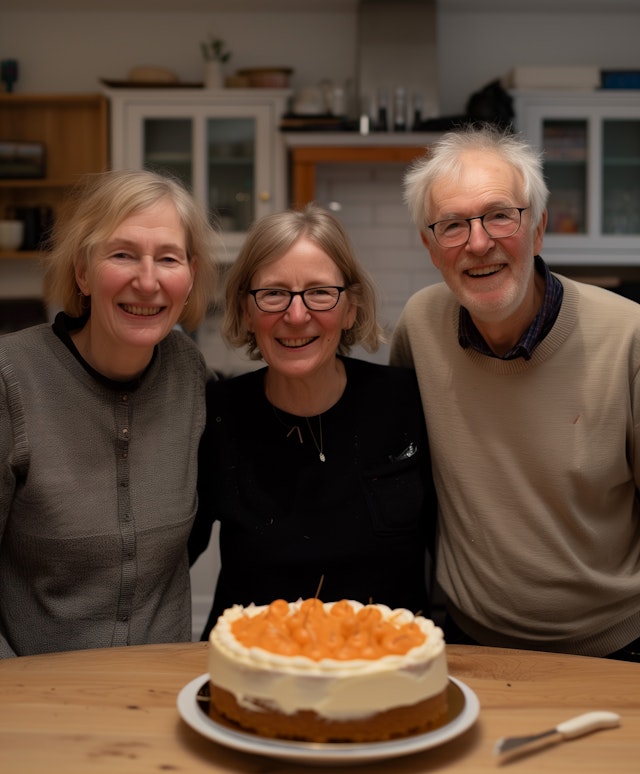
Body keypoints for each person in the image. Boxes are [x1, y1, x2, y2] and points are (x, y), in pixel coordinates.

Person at [390, 124, 640, 661]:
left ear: (539, 228)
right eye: (452, 225)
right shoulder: (420, 328)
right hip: (470, 645)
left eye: (501, 215)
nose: (479, 243)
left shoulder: (628, 337)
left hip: (616, 648)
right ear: (432, 248)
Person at [189, 204, 437, 639]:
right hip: (253, 669)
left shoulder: (407, 403)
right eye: (273, 293)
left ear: (351, 308)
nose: (297, 315)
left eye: (320, 292)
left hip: (388, 668)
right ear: (247, 310)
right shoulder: (216, 415)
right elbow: (165, 558)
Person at [0, 169, 219, 657]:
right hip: (34, 700)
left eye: (168, 258)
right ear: (83, 271)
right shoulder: (11, 376)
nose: (147, 280)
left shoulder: (189, 375)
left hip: (161, 692)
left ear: (189, 277)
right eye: (122, 255)